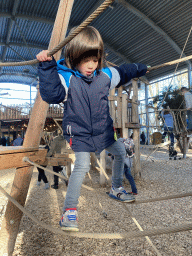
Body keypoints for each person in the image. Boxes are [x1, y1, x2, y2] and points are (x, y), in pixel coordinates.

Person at [36, 26, 148, 231]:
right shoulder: (68, 79)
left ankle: (116, 187)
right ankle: (69, 212)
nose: (90, 65)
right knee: (82, 166)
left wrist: (142, 68)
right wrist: (46, 67)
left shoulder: (104, 75)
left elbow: (124, 72)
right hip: (79, 133)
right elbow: (52, 93)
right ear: (74, 57)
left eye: (95, 60)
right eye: (85, 60)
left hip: (103, 131)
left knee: (121, 151)